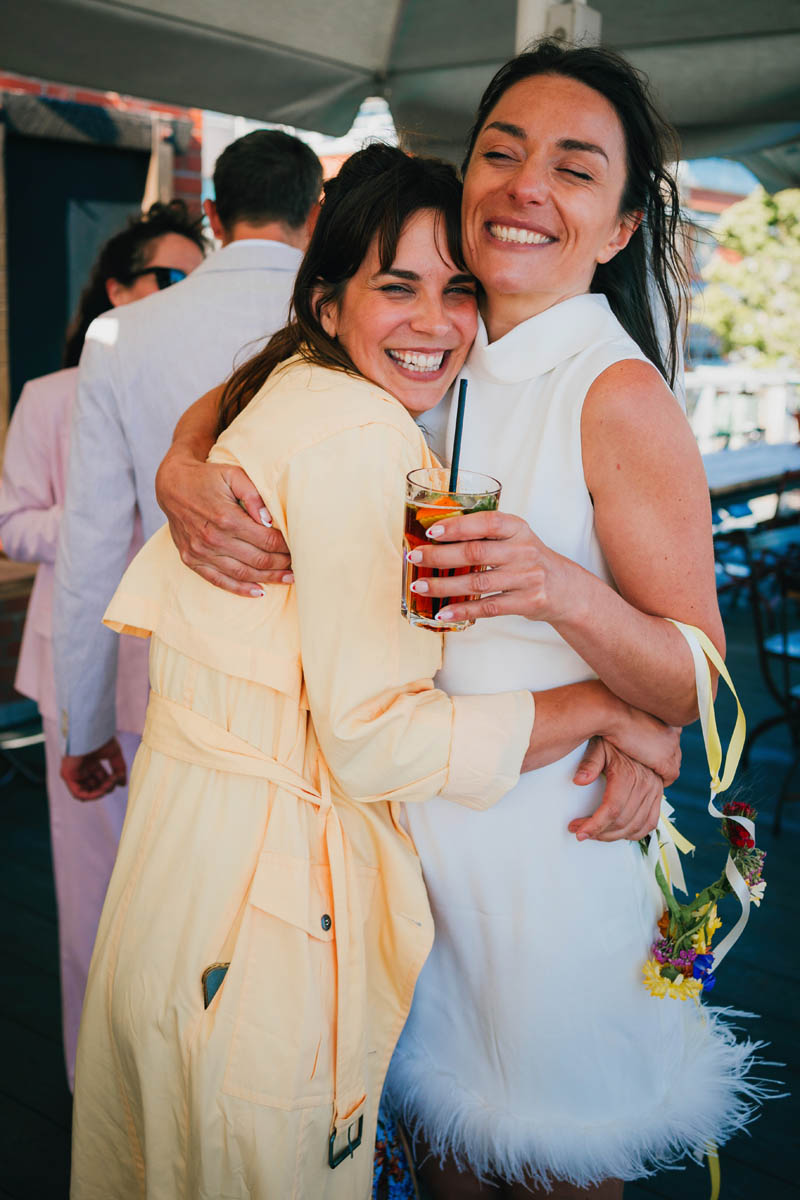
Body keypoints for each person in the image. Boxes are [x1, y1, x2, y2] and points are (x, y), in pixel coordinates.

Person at [156, 44, 765, 1199]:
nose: (527, 184)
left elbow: (703, 682)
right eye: (502, 151)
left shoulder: (615, 393)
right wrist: (182, 464)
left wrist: (557, 592)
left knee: (550, 1165)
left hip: (549, 853)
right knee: (443, 1162)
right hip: (412, 845)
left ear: (621, 225)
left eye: (574, 169)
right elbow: (287, 355)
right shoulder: (453, 337)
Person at [70, 145, 679, 1200]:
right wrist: (608, 707)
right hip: (260, 915)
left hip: (179, 882)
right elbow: (378, 738)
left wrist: (182, 453)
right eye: (395, 286)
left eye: (458, 289)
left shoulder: (301, 387)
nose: (435, 321)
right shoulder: (364, 440)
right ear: (328, 299)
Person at [0, 200, 206, 1088]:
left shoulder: (200, 387)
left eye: (197, 281)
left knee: (183, 887)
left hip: (175, 666)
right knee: (91, 888)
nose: (181, 296)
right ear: (118, 287)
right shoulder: (51, 395)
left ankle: (171, 1073)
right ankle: (96, 1088)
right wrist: (99, 517)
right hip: (79, 662)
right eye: (167, 278)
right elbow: (11, 523)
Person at [53, 129, 321, 800]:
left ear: (211, 217)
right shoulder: (349, 315)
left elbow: (91, 546)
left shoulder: (120, 335)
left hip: (179, 676)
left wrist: (83, 727)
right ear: (316, 214)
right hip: (324, 675)